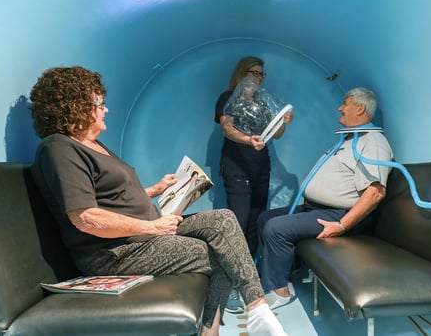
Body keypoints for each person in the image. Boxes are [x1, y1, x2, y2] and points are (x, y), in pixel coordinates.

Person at [29, 66, 288, 336]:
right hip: (115, 252)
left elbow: (110, 197)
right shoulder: (60, 148)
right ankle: (212, 331)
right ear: (76, 105)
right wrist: (152, 228)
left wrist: (154, 190)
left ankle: (257, 308)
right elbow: (85, 217)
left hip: (143, 234)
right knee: (220, 253)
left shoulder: (94, 145)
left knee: (223, 219)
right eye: (100, 104)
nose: (106, 110)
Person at [258, 87, 394, 310]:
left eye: (345, 103)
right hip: (314, 209)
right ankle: (282, 277)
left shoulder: (373, 142)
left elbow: (375, 193)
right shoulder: (348, 139)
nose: (340, 107)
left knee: (275, 228)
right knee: (265, 218)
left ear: (360, 108)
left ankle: (280, 291)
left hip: (337, 214)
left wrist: (341, 225)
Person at [214, 56, 293, 313]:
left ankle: (250, 279)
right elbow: (227, 129)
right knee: (239, 220)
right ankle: (231, 283)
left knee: (256, 219)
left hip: (261, 167)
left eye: (262, 74)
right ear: (242, 73)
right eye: (254, 72)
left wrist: (284, 121)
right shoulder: (228, 97)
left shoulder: (262, 102)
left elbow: (276, 134)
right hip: (237, 166)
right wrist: (249, 141)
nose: (258, 78)